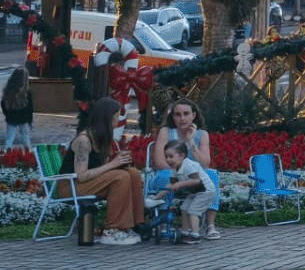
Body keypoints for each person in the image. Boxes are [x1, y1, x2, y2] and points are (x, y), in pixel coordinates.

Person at [62, 98, 148, 245]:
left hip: (90, 183)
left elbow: (102, 169)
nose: (118, 119)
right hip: (71, 186)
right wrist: (113, 165)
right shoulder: (84, 140)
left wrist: (118, 162)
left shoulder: (103, 138)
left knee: (132, 173)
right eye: (116, 116)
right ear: (107, 118)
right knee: (120, 177)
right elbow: (81, 176)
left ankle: (135, 224)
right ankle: (112, 230)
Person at [151, 98, 222, 239]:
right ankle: (164, 222)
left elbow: (205, 163)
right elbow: (159, 162)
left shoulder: (202, 134)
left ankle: (210, 225)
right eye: (177, 114)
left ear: (193, 115)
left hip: (194, 177)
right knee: (165, 175)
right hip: (173, 174)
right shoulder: (166, 132)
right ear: (173, 117)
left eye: (186, 114)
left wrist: (190, 141)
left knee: (212, 175)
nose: (182, 118)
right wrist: (181, 173)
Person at [152, 139, 216, 244]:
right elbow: (170, 186)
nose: (168, 160)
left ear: (181, 156)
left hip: (205, 191)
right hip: (195, 192)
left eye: (171, 156)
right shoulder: (175, 169)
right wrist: (156, 198)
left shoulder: (189, 165)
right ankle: (185, 232)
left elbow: (196, 181)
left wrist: (180, 184)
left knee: (193, 210)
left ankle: (195, 235)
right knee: (184, 208)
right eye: (166, 157)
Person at [2, 68, 34, 151]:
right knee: (25, 137)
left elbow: (3, 104)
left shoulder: (8, 90)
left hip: (11, 117)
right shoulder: (27, 92)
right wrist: (30, 120)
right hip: (23, 117)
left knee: (9, 137)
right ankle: (28, 153)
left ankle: (6, 154)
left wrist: (7, 114)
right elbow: (30, 108)